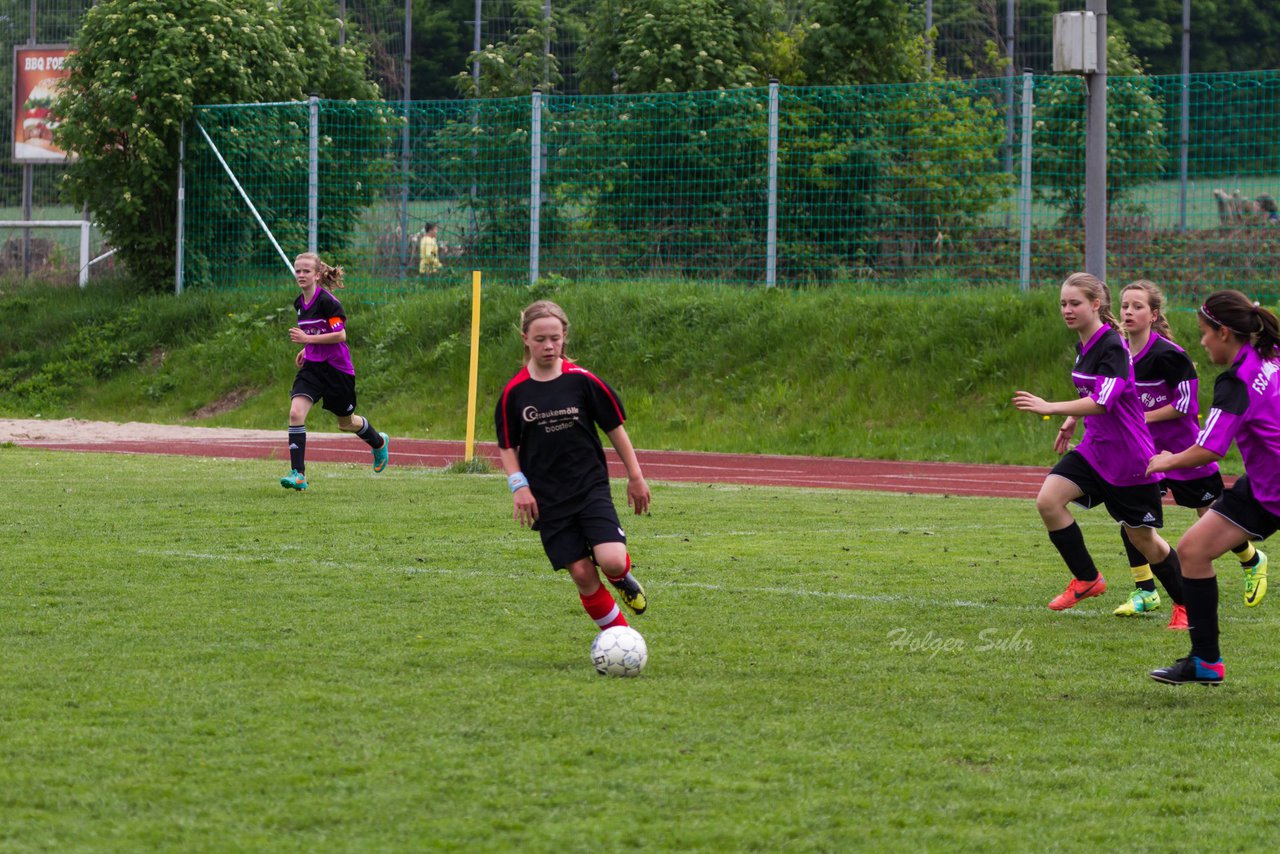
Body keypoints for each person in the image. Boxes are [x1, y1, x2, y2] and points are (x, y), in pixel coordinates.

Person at [1013, 272, 1185, 622]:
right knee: (1048, 501)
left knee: (1145, 542)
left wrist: (1052, 407)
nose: (1067, 309)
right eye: (1063, 303)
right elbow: (1091, 394)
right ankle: (1088, 579)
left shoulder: (1112, 345)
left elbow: (1104, 400)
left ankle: (1186, 605)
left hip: (1129, 456)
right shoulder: (1084, 345)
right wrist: (1072, 420)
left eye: (1075, 303)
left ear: (1096, 304)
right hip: (1096, 450)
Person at [1147, 291, 1280, 685]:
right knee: (1191, 550)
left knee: (1192, 550)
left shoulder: (1237, 381)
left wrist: (1166, 459)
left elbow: (1209, 448)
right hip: (1262, 487)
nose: (1201, 342)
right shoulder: (1270, 358)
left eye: (1204, 333)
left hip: (1271, 489)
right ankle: (1205, 661)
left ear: (1224, 332)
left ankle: (1205, 659)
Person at [494, 300, 651, 633]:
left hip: (589, 486)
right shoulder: (514, 393)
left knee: (610, 559)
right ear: (525, 339)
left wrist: (635, 477)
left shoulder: (583, 382)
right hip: (547, 498)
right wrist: (518, 485)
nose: (548, 346)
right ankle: (620, 637)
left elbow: (615, 429)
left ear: (564, 336)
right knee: (581, 574)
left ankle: (621, 577)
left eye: (555, 337)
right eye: (539, 339)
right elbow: (508, 446)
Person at [1118, 279, 1267, 619]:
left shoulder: (1170, 355)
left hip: (1186, 452)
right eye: (1125, 305)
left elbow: (1186, 405)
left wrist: (1141, 417)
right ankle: (1145, 590)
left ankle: (1251, 559)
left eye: (1137, 306)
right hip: (1144, 453)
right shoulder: (1118, 354)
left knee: (1211, 517)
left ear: (1154, 314)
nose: (1128, 311)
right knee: (1132, 517)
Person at [280, 252, 388, 491]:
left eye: (306, 271)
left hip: (338, 371)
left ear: (317, 275)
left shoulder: (328, 302)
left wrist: (308, 339)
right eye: (298, 270)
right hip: (313, 369)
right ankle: (298, 474)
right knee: (296, 413)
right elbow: (317, 334)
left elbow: (340, 335)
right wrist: (308, 350)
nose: (301, 275)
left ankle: (379, 443)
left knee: (346, 423)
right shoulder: (299, 304)